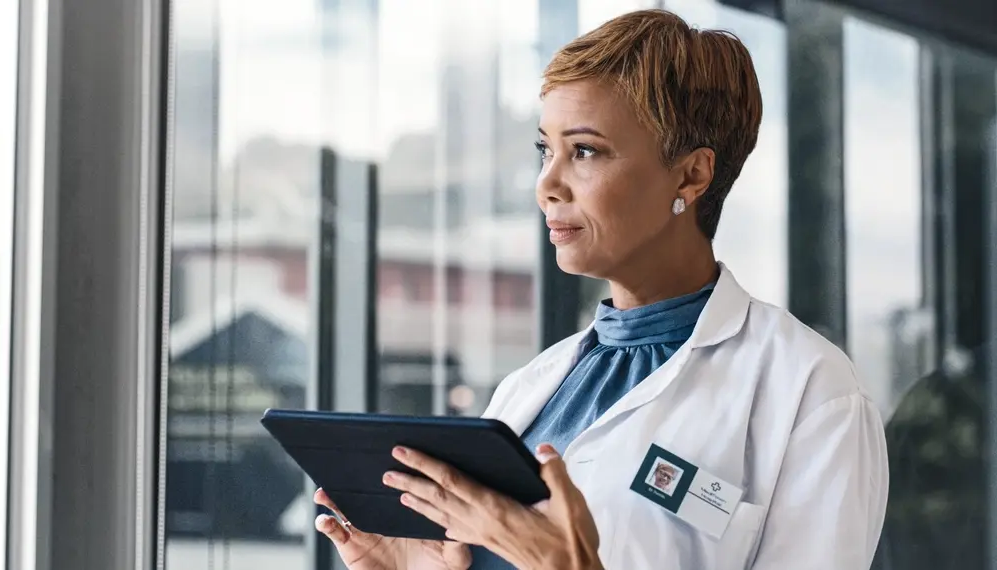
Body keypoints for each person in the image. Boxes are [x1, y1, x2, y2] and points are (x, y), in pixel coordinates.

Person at [313, 8, 888, 570]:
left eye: (584, 151)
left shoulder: (812, 394)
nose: (547, 186)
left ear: (691, 175)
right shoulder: (528, 389)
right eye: (547, 150)